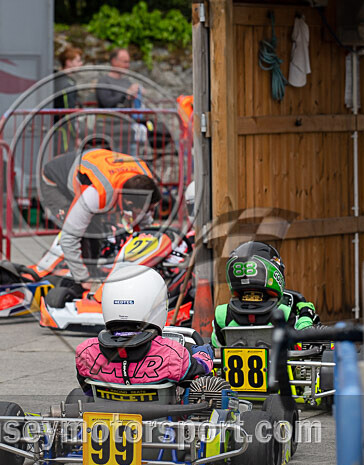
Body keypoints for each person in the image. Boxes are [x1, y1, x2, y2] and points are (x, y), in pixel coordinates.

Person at [75, 265, 213, 391]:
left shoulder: (87, 352)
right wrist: (204, 352)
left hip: (107, 409)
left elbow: (88, 391)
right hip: (161, 410)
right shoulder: (172, 354)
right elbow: (201, 370)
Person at [40, 147, 161, 289]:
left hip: (90, 169)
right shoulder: (97, 194)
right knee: (83, 232)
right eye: (148, 210)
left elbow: (145, 227)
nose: (150, 213)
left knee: (96, 232)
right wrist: (84, 279)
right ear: (129, 203)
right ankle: (76, 278)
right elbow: (69, 239)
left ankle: (90, 271)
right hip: (55, 182)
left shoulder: (144, 182)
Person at [211, 241, 319, 347]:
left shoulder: (222, 314)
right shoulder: (284, 313)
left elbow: (215, 348)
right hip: (278, 359)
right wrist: (306, 314)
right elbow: (302, 342)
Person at [53, 45, 83, 111]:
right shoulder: (66, 83)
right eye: (78, 61)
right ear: (68, 62)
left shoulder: (56, 78)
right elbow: (69, 108)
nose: (81, 63)